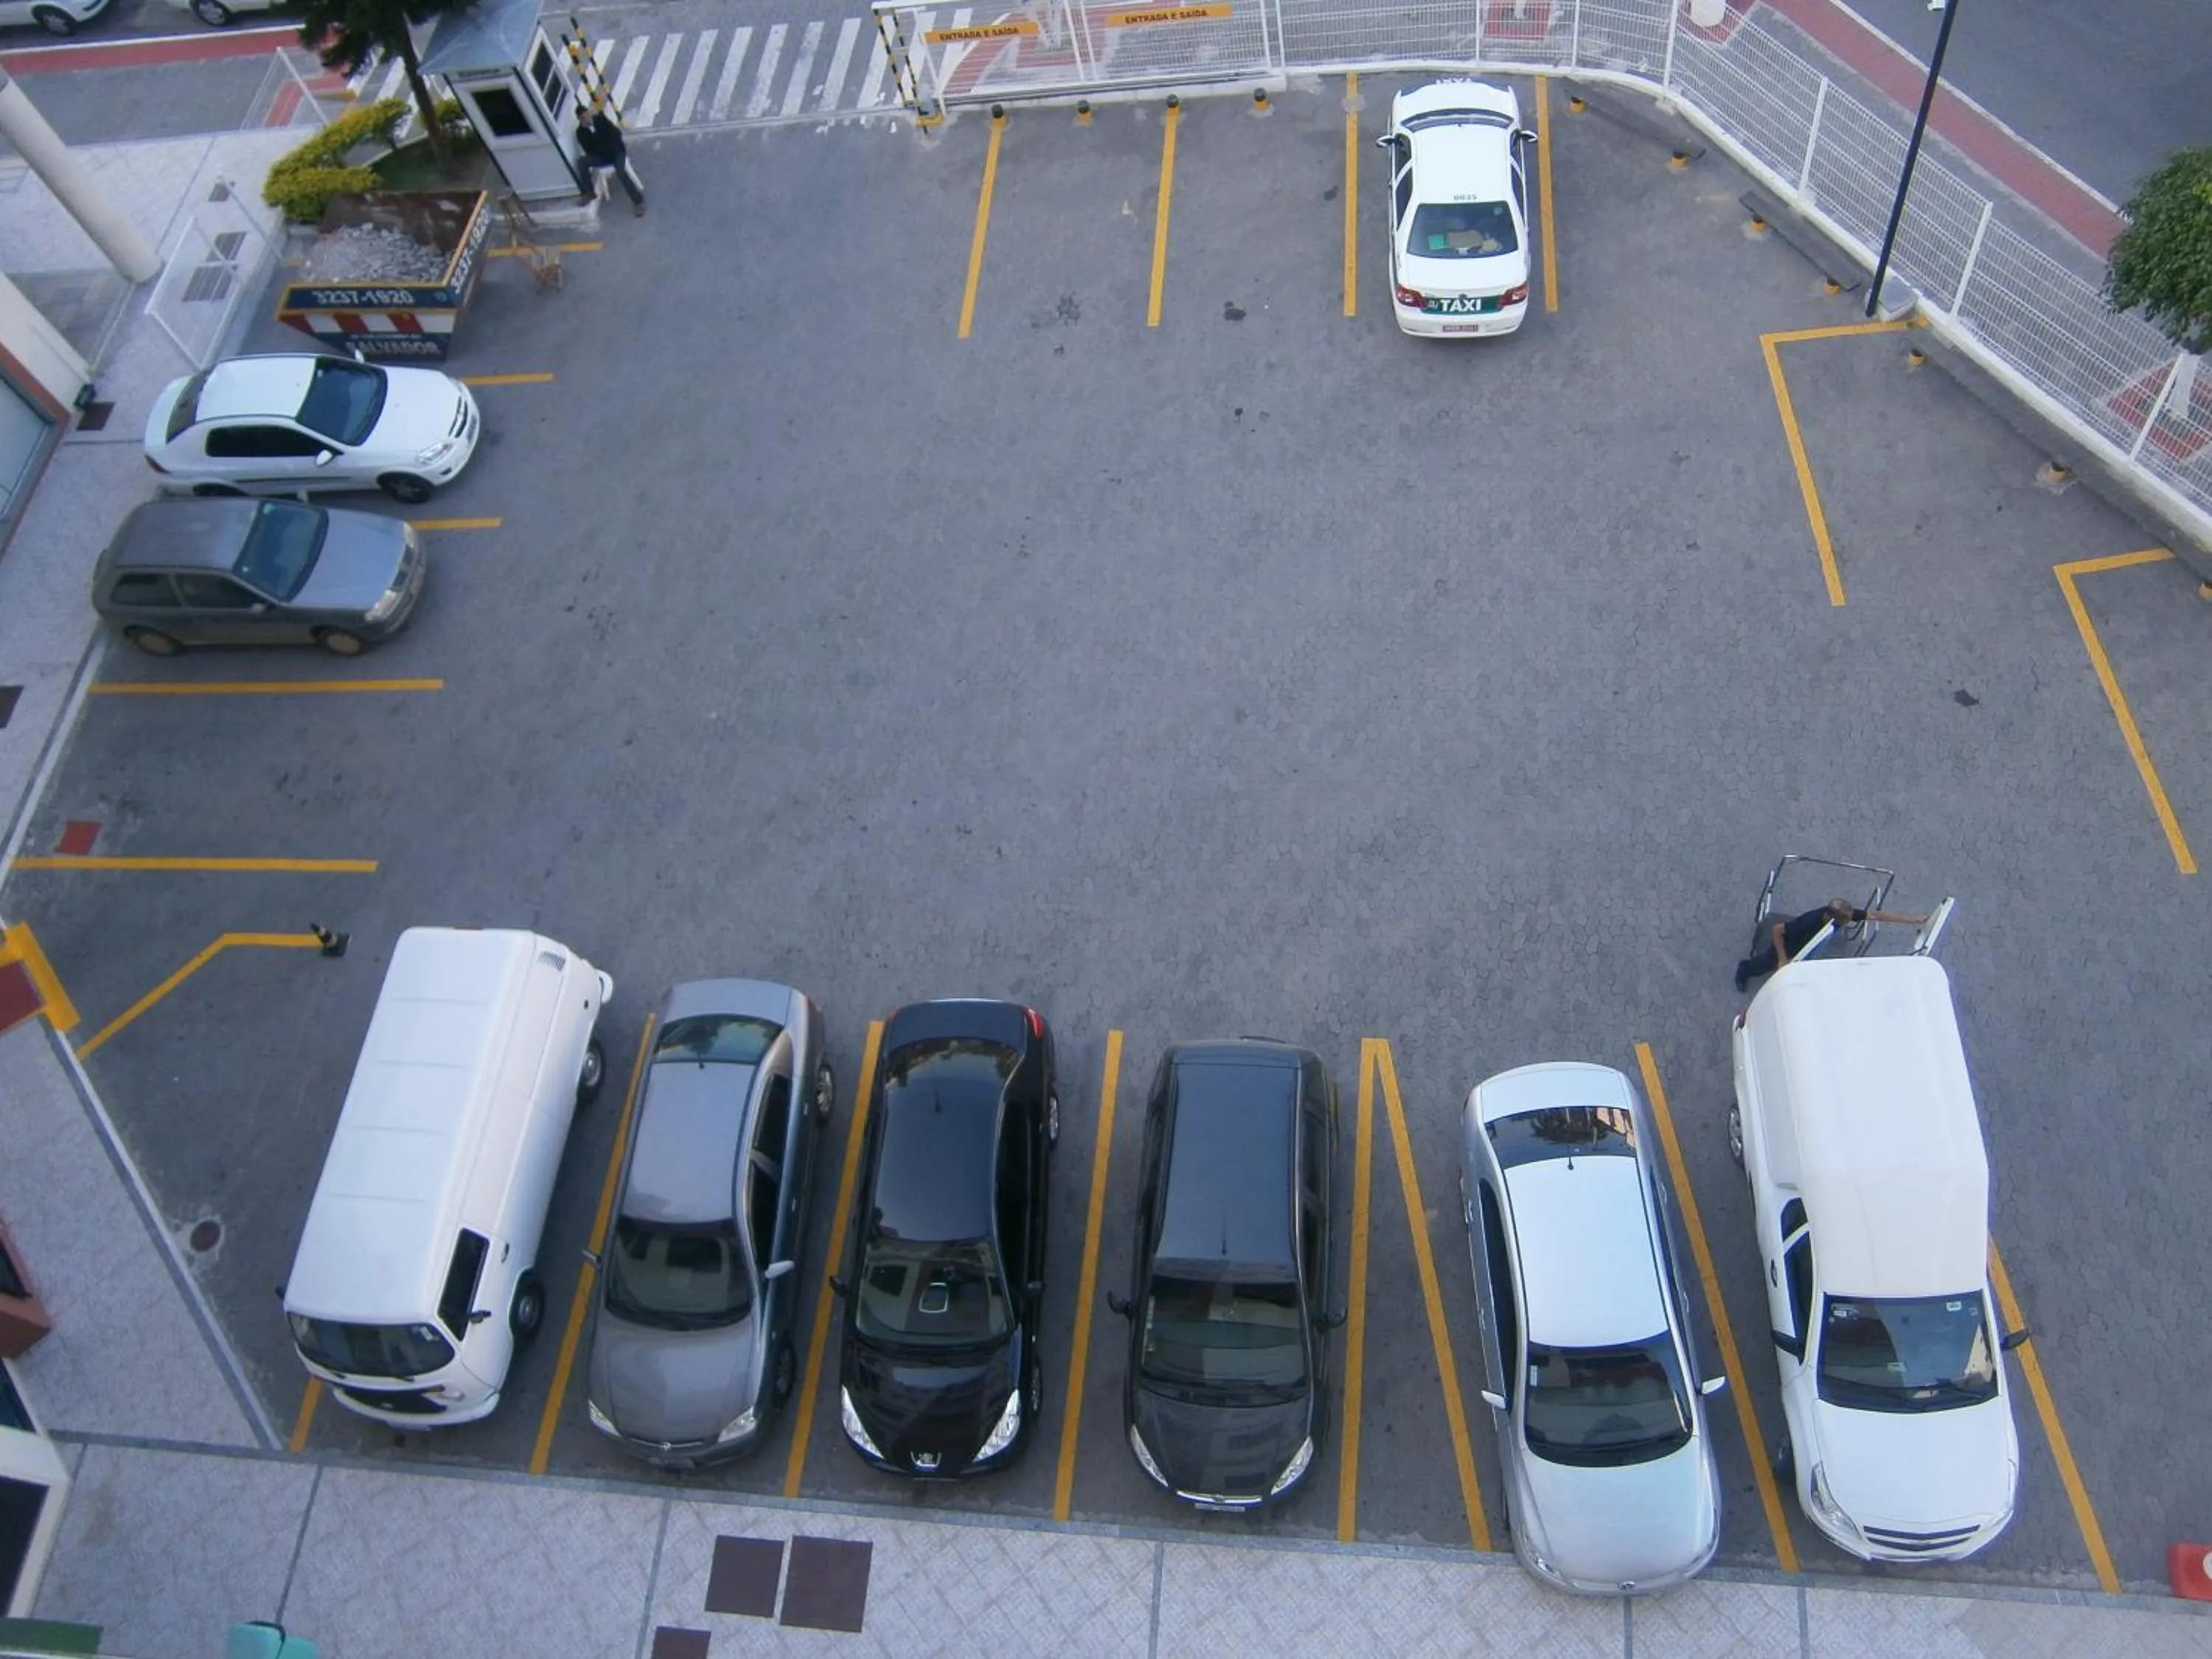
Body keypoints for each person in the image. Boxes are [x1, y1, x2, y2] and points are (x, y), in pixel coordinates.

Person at [1733, 897, 1930, 993]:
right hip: (1790, 946)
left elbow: (1876, 915)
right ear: (1833, 917)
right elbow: (1778, 930)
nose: (1849, 922)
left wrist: (1913, 920)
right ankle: (1744, 970)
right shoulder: (1809, 922)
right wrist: (1783, 959)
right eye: (1846, 920)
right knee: (1765, 963)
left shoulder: (1841, 916)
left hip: (1809, 948)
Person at [575, 105, 645, 215]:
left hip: (616, 152)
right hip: (601, 156)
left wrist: (604, 144)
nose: (587, 119)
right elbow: (589, 149)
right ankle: (589, 193)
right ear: (580, 119)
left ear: (589, 113)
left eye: (587, 116)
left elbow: (615, 134)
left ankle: (638, 202)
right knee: (582, 162)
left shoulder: (600, 119)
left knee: (621, 172)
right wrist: (590, 134)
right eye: (583, 118)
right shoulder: (581, 132)